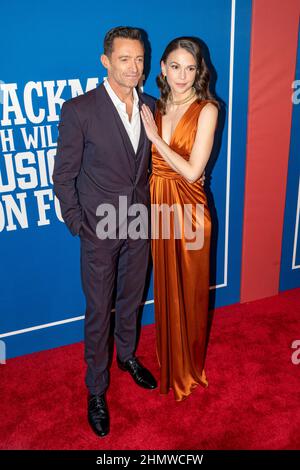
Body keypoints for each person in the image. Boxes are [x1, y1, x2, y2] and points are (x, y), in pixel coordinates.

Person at [53, 26, 157, 438]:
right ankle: (96, 389)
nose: (134, 67)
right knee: (99, 310)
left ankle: (127, 356)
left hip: (140, 225)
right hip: (99, 229)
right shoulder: (80, 109)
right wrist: (80, 224)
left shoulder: (151, 105)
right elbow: (64, 176)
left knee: (131, 298)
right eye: (125, 59)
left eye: (139, 59)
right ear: (106, 61)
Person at [140, 37, 219, 401]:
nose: (182, 75)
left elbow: (191, 173)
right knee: (166, 287)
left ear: (199, 70)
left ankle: (188, 368)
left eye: (190, 67)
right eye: (175, 66)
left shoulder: (207, 109)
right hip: (159, 206)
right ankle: (169, 360)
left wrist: (155, 138)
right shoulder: (155, 106)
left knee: (189, 292)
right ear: (163, 69)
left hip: (189, 211)